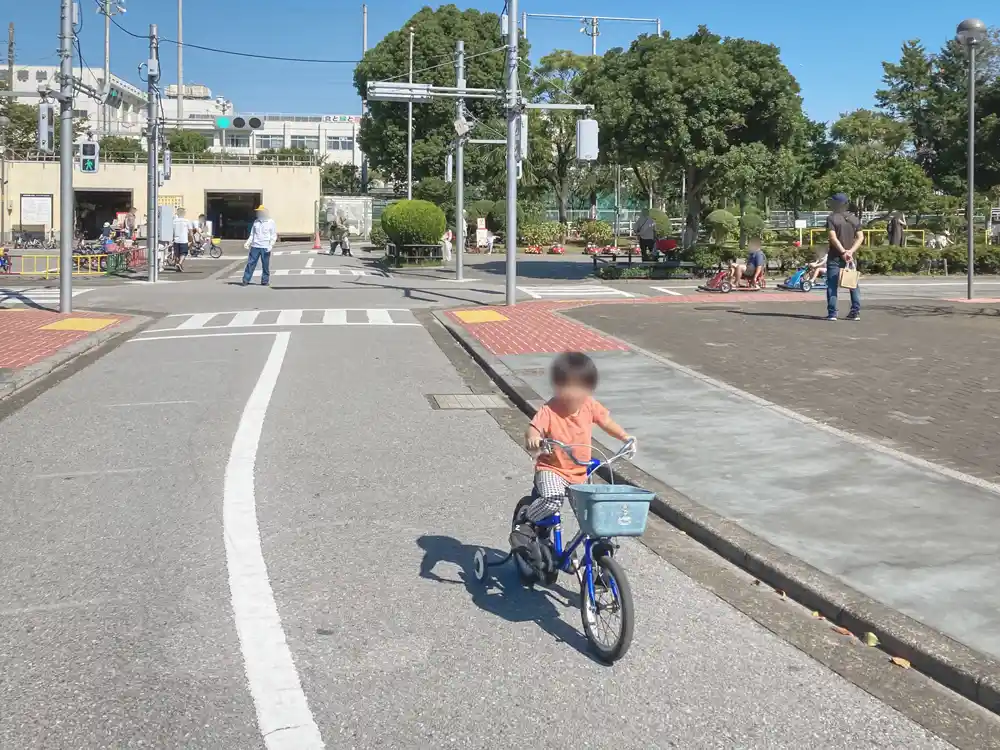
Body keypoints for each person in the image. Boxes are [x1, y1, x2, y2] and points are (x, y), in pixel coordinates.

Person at [510, 352, 634, 562]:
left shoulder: (589, 405)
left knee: (594, 519)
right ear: (557, 386)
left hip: (579, 471)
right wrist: (533, 438)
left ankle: (599, 565)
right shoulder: (549, 410)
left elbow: (606, 422)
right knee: (552, 499)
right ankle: (527, 523)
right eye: (568, 386)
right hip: (552, 469)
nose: (575, 393)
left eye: (582, 386)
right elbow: (534, 429)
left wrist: (625, 437)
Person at [825, 192, 864, 321]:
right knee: (853, 284)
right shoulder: (854, 218)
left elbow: (832, 237)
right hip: (851, 258)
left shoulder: (831, 218)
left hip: (836, 256)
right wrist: (850, 252)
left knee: (832, 285)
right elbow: (860, 237)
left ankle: (832, 313)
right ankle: (855, 312)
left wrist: (842, 252)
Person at [241, 205, 277, 286]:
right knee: (251, 263)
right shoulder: (256, 222)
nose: (258, 213)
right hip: (255, 246)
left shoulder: (271, 222)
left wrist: (271, 245)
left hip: (265, 246)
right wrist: (248, 242)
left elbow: (273, 235)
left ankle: (265, 281)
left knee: (265, 265)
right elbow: (252, 234)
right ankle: (245, 280)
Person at [171, 208, 193, 272]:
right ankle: (180, 263)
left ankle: (178, 266)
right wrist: (192, 239)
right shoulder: (187, 221)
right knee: (184, 253)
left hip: (176, 240)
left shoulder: (174, 221)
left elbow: (171, 231)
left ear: (177, 213)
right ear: (184, 214)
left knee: (177, 253)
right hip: (184, 240)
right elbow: (191, 232)